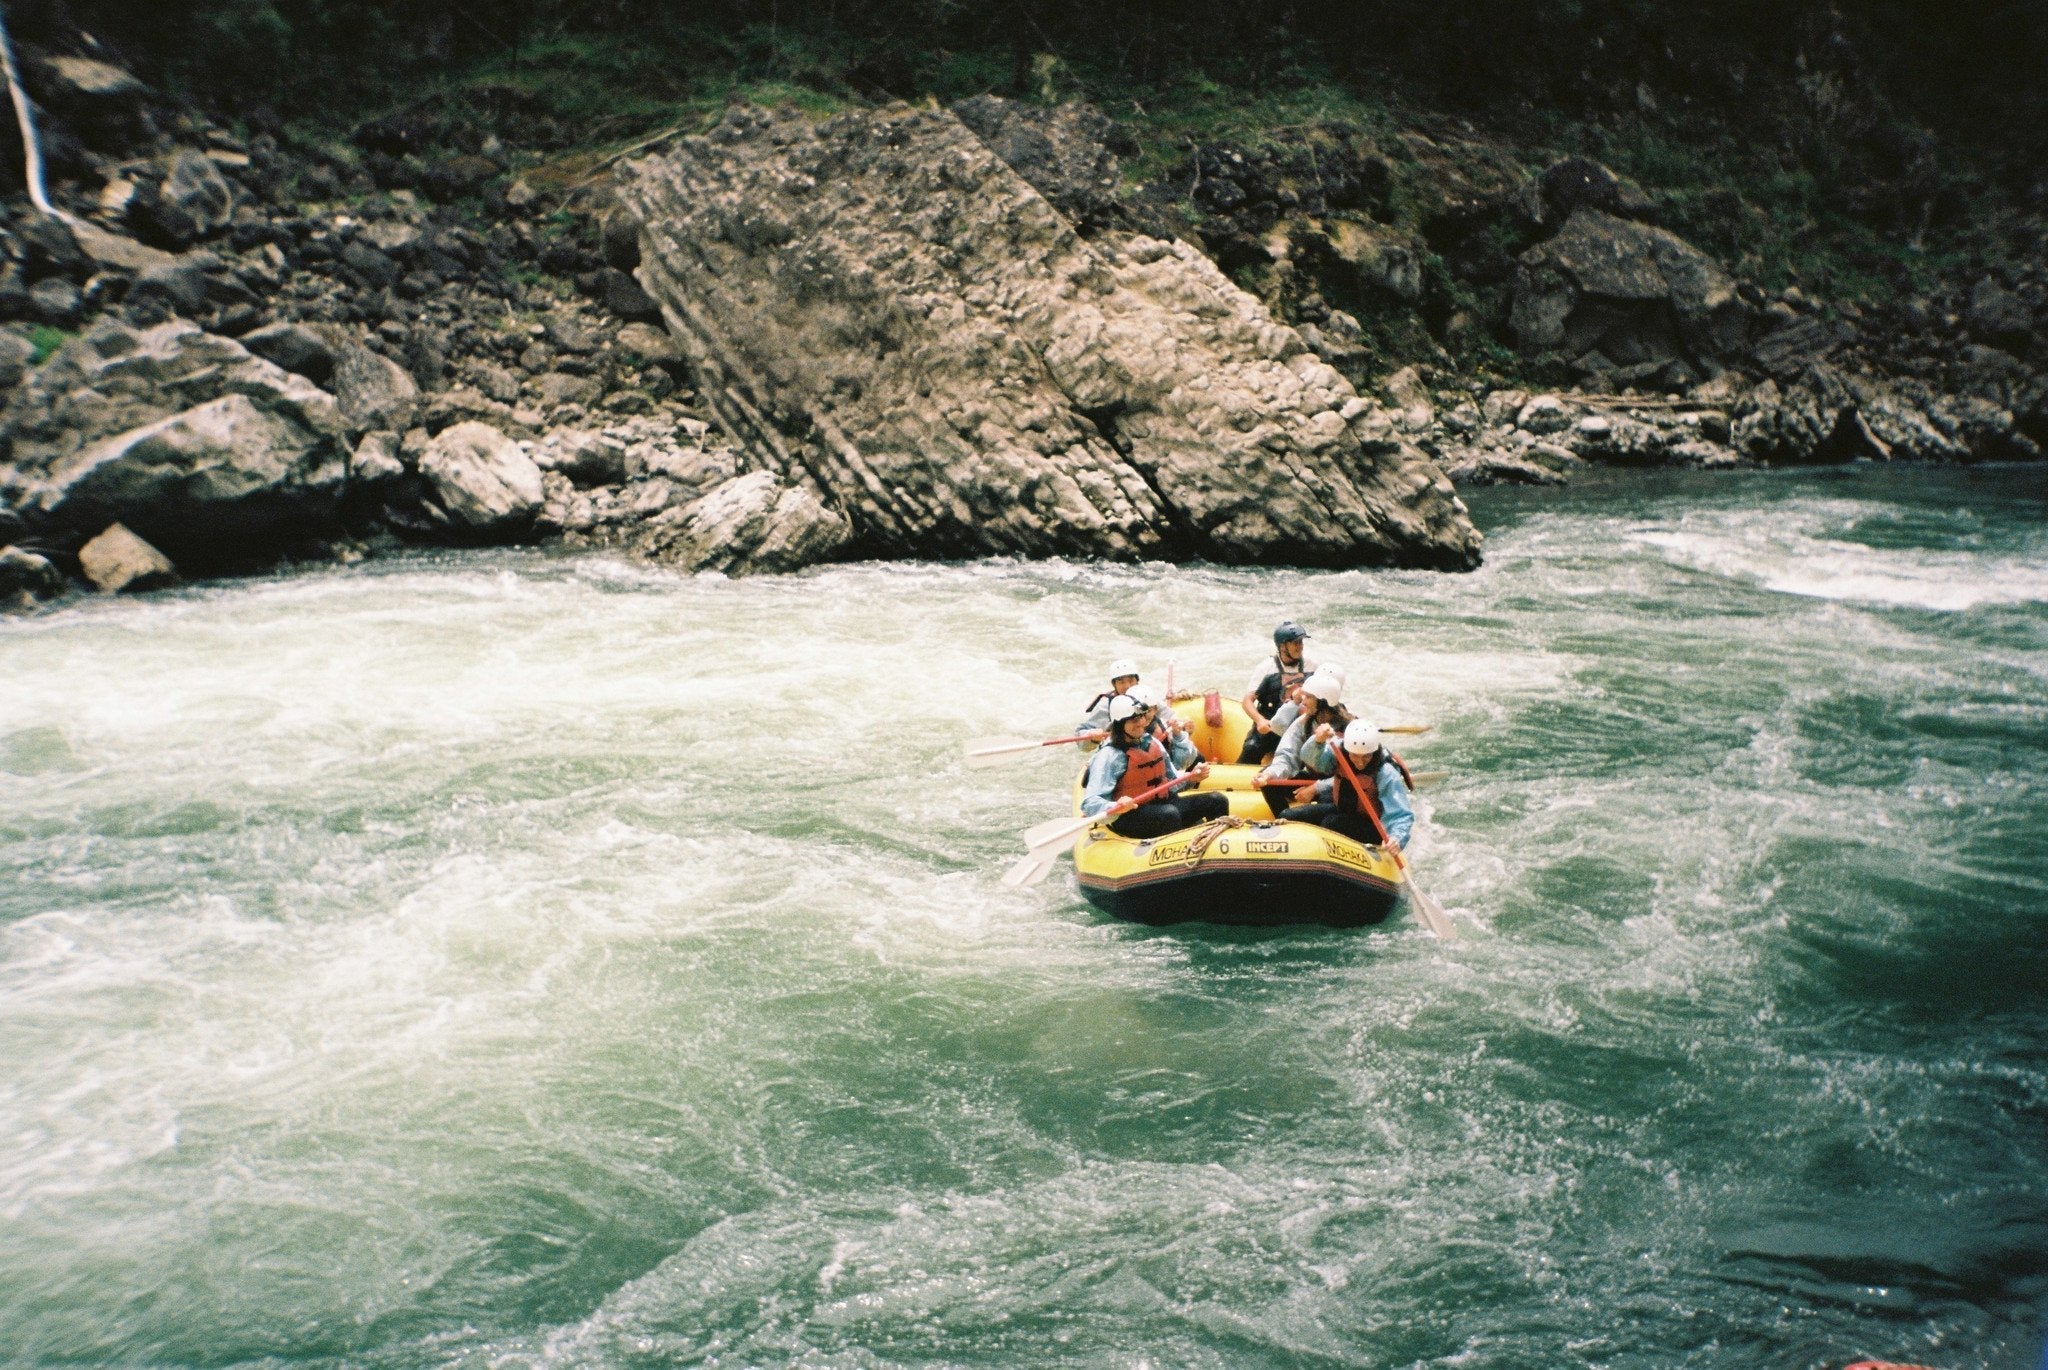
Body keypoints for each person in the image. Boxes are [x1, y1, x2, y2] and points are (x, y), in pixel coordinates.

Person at [1081, 695, 1230, 839]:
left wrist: (1191, 777)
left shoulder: (1151, 742)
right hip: (1129, 816)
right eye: (1133, 719)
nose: (1140, 723)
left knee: (1217, 800)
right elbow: (1090, 803)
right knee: (1169, 815)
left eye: (1141, 717)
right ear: (1120, 724)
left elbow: (1171, 781)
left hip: (1164, 805)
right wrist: (1116, 805)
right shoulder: (1109, 755)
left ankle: (1213, 846)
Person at [1283, 720, 1415, 848]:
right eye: (1355, 756)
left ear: (1374, 752)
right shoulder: (1339, 751)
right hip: (1342, 811)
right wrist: (1317, 741)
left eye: (1366, 756)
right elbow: (1313, 760)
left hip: (1372, 825)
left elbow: (1400, 813)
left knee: (1330, 824)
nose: (1360, 762)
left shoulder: (1385, 772)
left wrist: (1396, 837)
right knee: (1288, 816)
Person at [1254, 670, 1354, 818]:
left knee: (1328, 798)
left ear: (1323, 701)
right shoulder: (1305, 722)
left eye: (1308, 697)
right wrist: (1269, 775)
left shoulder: (1349, 729)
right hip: (1314, 777)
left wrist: (1316, 788)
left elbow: (1354, 776)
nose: (1303, 701)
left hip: (1339, 785)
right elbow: (1287, 756)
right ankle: (1283, 820)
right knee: (1270, 783)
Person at [1237, 621, 1318, 764]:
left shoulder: (1312, 666)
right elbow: (1247, 701)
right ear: (1282, 646)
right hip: (1270, 724)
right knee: (1251, 748)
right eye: (1295, 643)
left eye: (1301, 642)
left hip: (1299, 725)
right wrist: (1260, 720)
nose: (1300, 646)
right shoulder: (1266, 668)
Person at [1131, 681, 1201, 769]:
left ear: (1156, 709)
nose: (1144, 717)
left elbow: (1180, 764)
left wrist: (1178, 737)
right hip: (1141, 776)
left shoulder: (1162, 726)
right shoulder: (1120, 734)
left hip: (1161, 774)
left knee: (1199, 759)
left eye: (1149, 711)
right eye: (1140, 713)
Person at [1076, 658, 1141, 734]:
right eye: (1121, 682)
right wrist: (1093, 736)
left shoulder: (1147, 698)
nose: (1127, 686)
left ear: (1137, 681)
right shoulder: (1105, 706)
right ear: (1114, 685)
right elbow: (1080, 732)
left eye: (1131, 681)